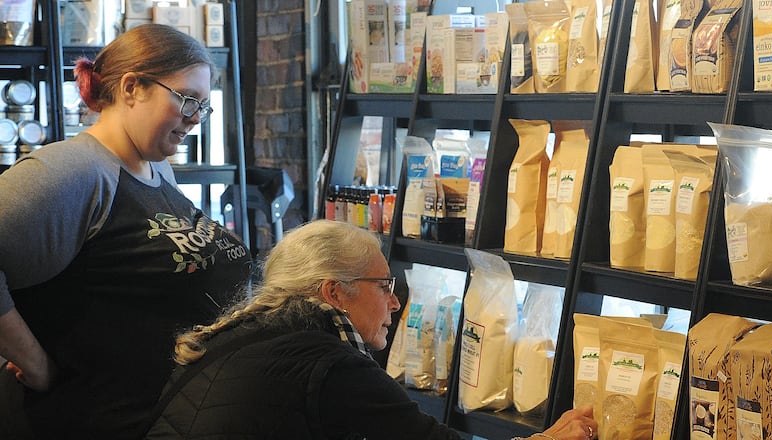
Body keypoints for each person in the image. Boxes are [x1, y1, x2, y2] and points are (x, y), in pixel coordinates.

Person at [0, 24, 253, 438]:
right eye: (188, 100)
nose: (195, 119)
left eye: (203, 108)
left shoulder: (156, 169)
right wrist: (37, 365)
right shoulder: (73, 171)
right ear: (132, 87)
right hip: (84, 421)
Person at [146, 220, 597, 440]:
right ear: (334, 293)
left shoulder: (246, 333)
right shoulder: (327, 363)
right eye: (383, 286)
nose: (395, 302)